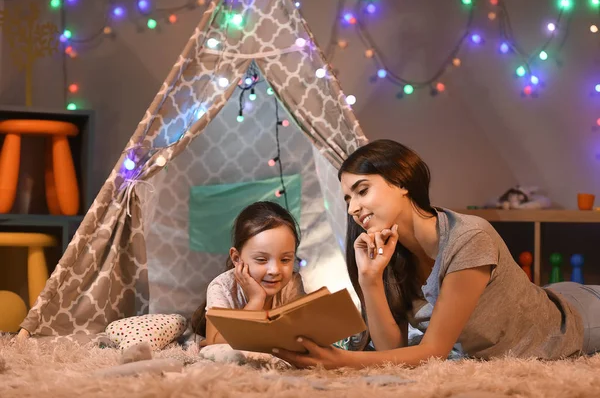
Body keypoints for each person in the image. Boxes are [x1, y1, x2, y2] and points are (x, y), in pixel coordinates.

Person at [272, 139, 600, 369]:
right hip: (539, 300)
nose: (354, 208)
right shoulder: (388, 253)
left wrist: (343, 361)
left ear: (401, 182)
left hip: (576, 321)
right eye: (347, 199)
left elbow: (434, 351)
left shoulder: (469, 236)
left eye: (362, 190)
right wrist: (369, 278)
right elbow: (393, 352)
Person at [191, 201, 305, 345]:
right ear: (237, 258)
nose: (275, 270)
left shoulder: (292, 284)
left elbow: (301, 333)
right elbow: (215, 344)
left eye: (285, 259)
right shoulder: (222, 287)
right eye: (262, 260)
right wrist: (256, 300)